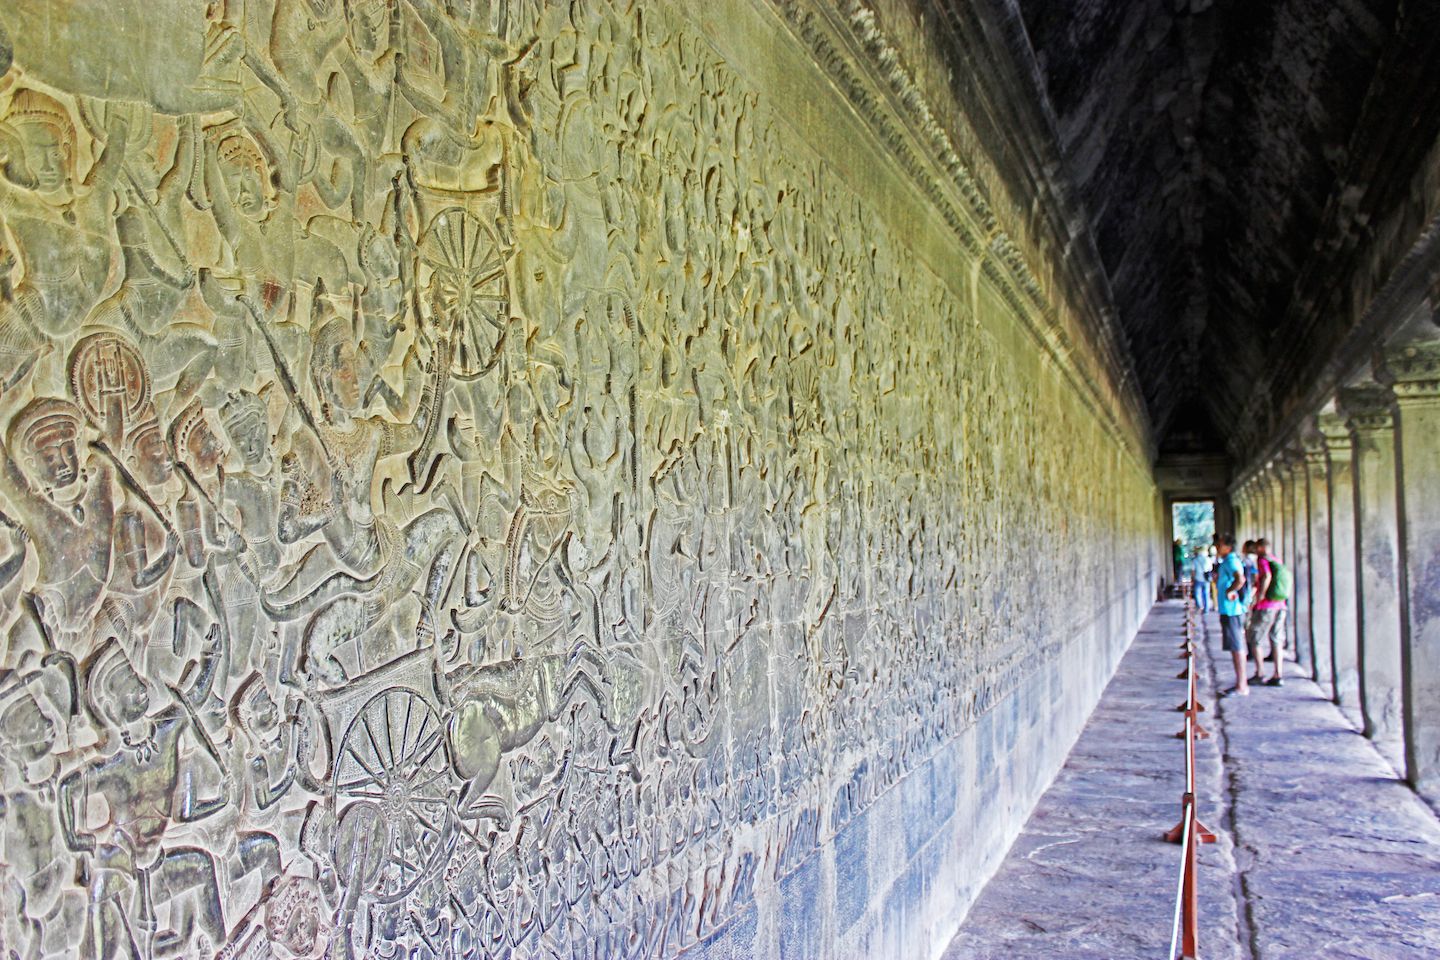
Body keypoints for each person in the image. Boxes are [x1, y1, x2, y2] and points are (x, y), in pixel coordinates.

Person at [1248, 538, 1289, 685]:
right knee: (1276, 638)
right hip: (1281, 605)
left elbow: (1266, 576)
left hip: (1266, 606)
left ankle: (1260, 673)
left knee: (1255, 638)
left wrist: (1260, 596)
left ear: (1260, 547)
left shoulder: (1262, 560)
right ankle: (1278, 675)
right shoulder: (1276, 560)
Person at [1215, 533, 1249, 697]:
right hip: (1228, 610)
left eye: (1220, 544)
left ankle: (1242, 685)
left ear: (1228, 547)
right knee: (1235, 647)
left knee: (1236, 647)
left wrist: (1230, 590)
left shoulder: (1231, 561)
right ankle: (1240, 683)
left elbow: (1240, 579)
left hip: (1232, 610)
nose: (1217, 547)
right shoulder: (1227, 561)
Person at [1190, 546, 1212, 613]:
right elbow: (1210, 569)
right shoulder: (1208, 559)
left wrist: (1192, 578)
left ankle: (1199, 606)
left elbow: (1193, 571)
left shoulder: (1195, 560)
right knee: (1206, 594)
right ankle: (1206, 609)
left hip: (1198, 578)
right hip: (1206, 579)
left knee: (1197, 594)